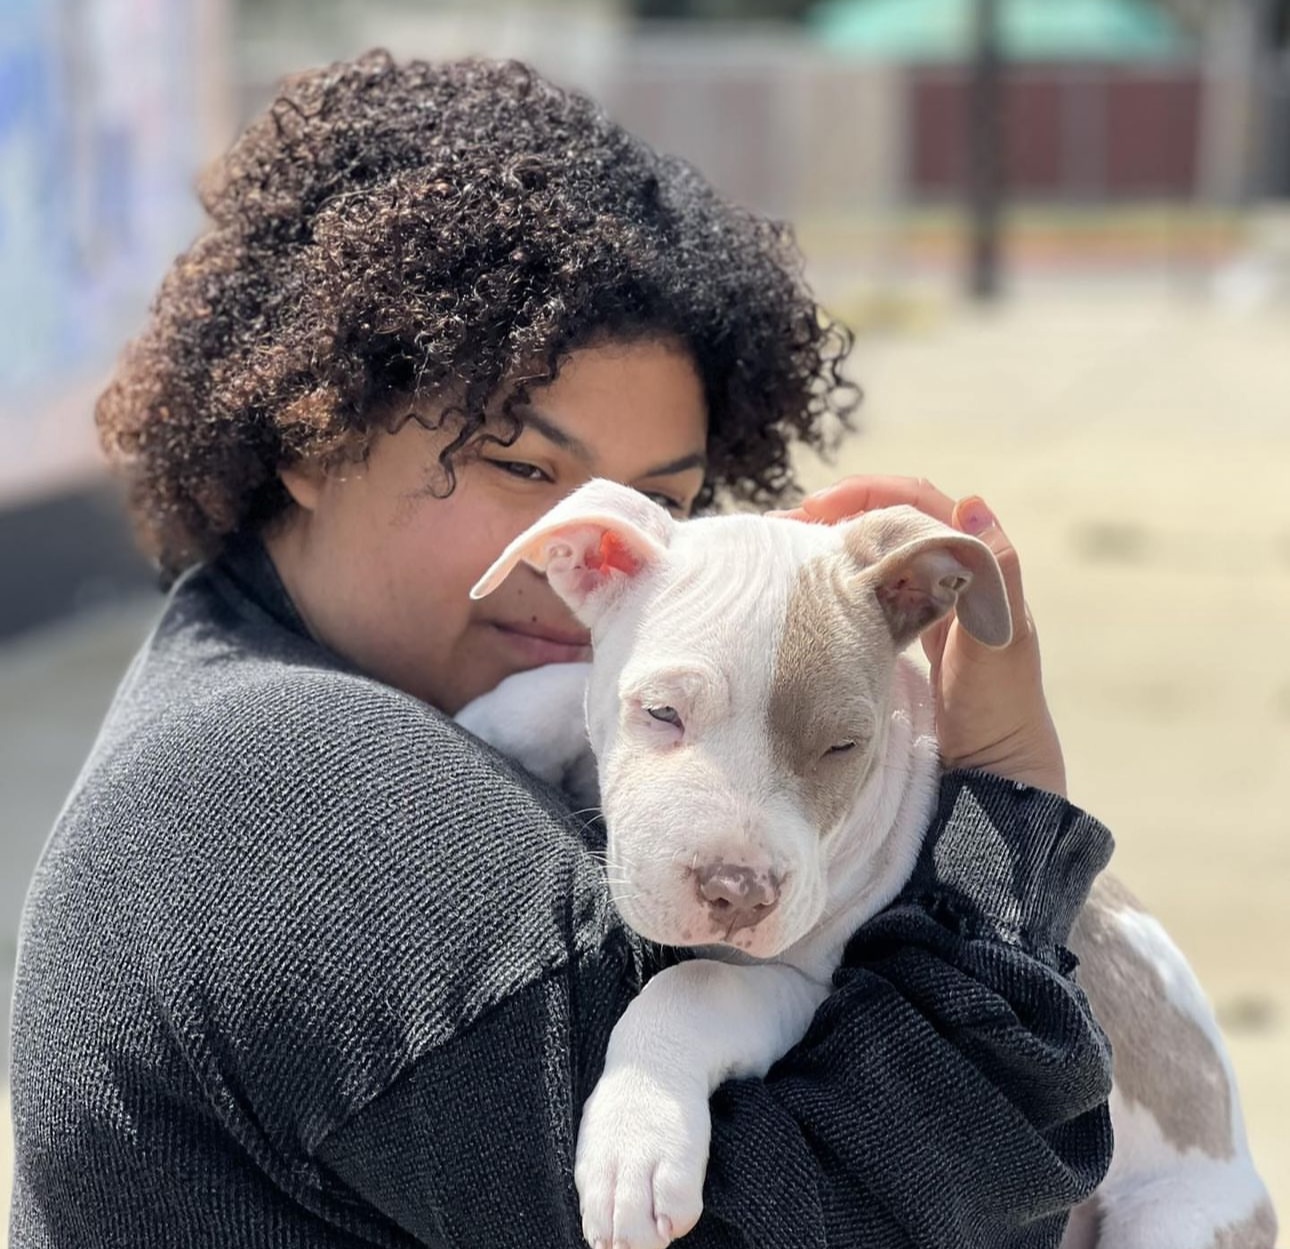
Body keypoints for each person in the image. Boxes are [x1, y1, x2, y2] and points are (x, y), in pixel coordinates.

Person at [9, 51, 1114, 1248]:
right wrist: (1002, 820)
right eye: (523, 467)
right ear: (314, 434)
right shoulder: (292, 786)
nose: (575, 555)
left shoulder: (249, 688)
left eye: (666, 499)